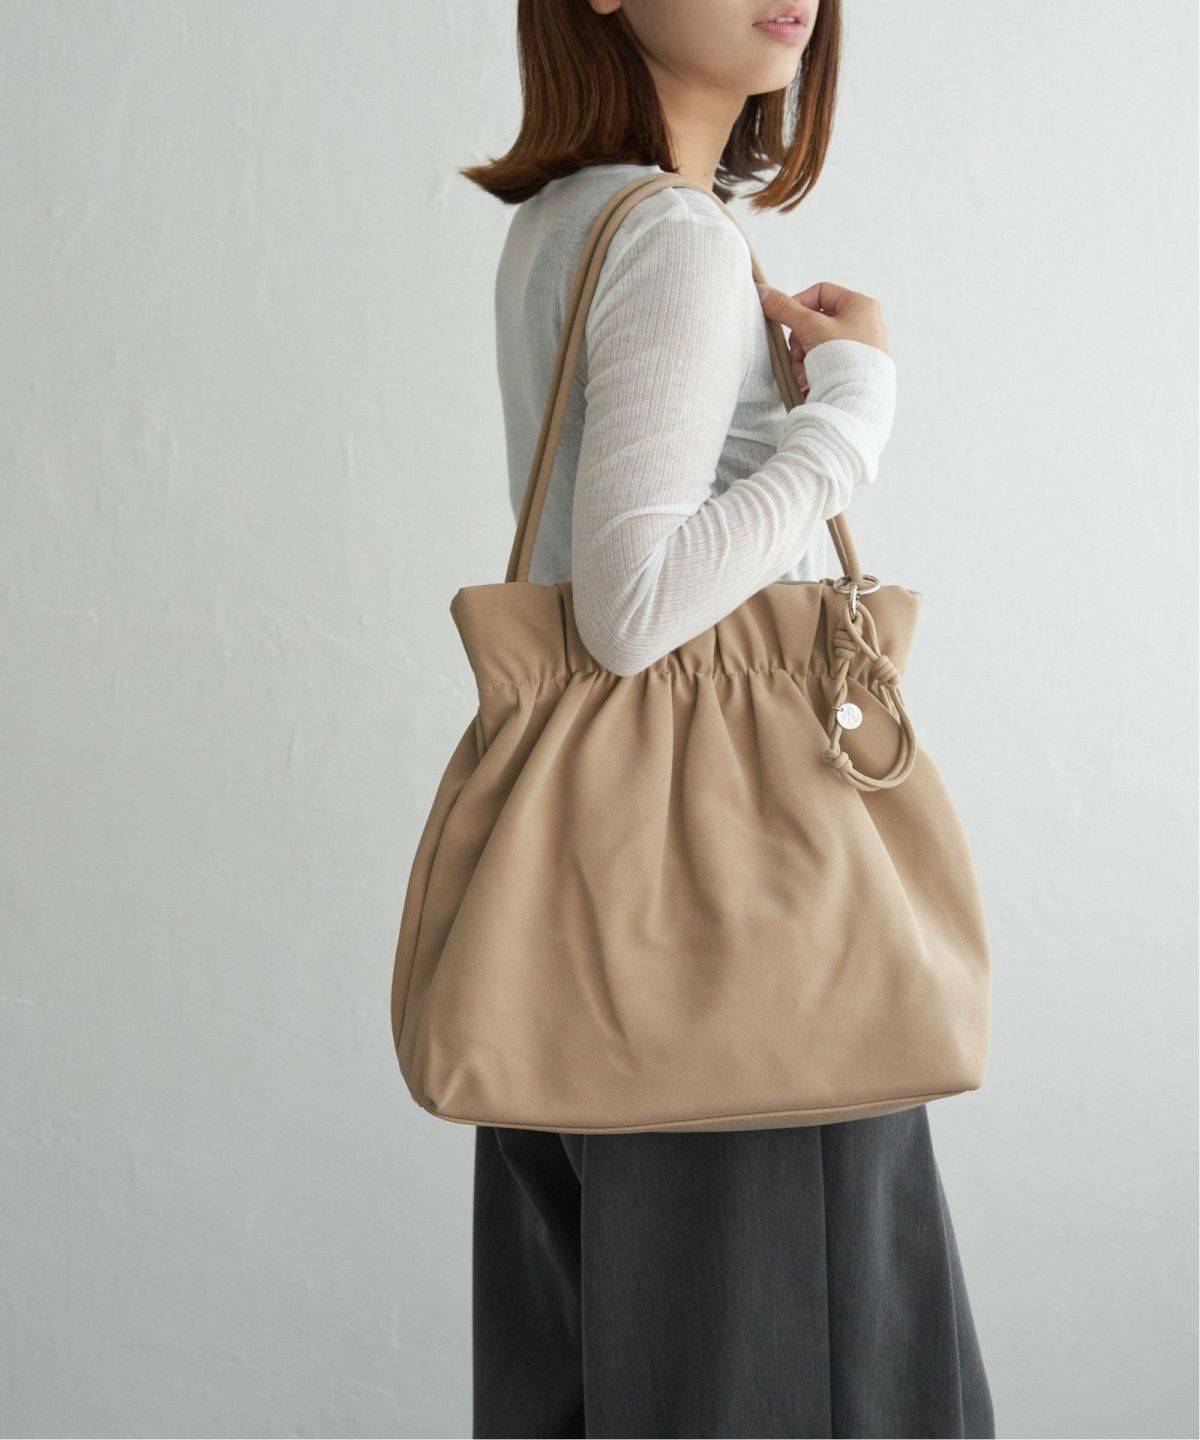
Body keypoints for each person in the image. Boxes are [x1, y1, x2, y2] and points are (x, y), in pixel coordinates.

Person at [459, 2, 995, 1435]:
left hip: (586, 917)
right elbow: (633, 607)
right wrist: (848, 421)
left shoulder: (565, 223)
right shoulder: (678, 239)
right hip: (735, 927)